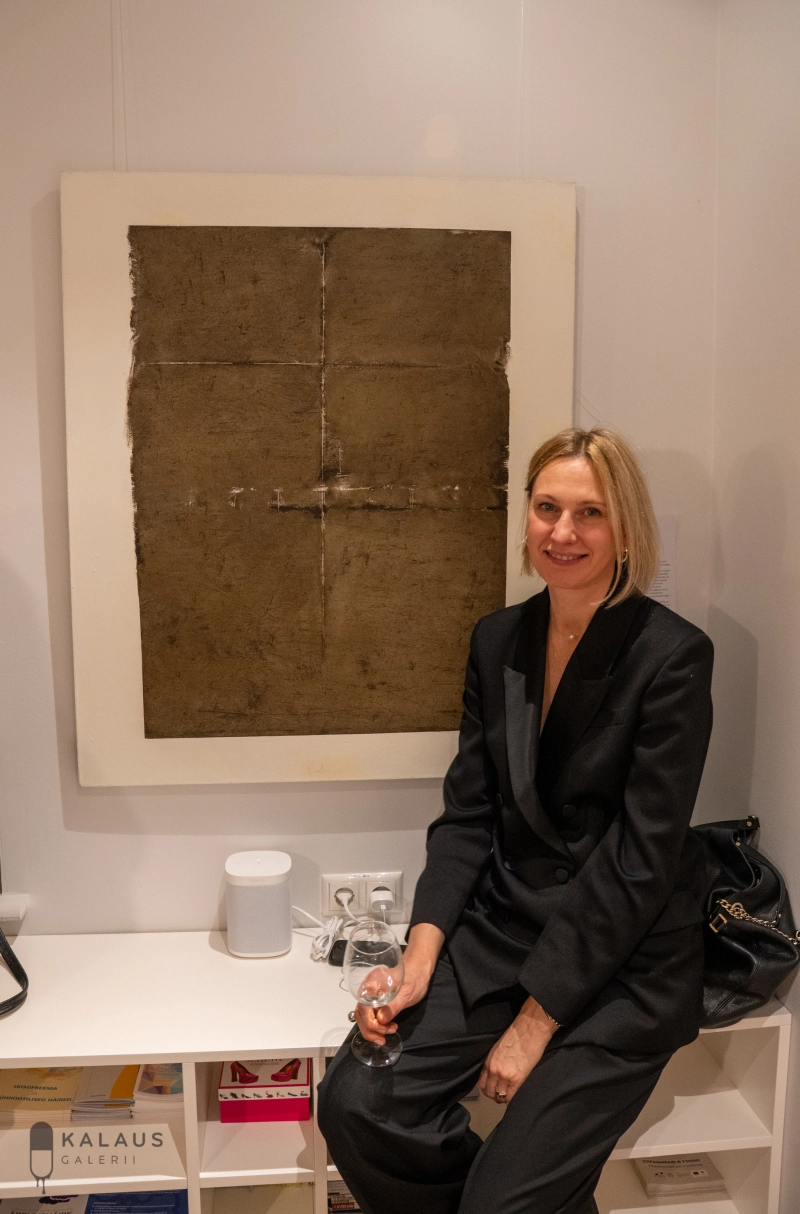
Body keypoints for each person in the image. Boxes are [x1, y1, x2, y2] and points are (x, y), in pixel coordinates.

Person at [318, 427, 714, 1214]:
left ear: (626, 528)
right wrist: (418, 960)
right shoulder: (498, 638)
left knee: (502, 1205)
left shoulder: (673, 656)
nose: (563, 532)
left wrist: (535, 1024)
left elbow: (639, 861)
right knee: (357, 1105)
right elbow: (468, 813)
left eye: (590, 512)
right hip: (503, 934)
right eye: (547, 508)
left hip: (623, 963)